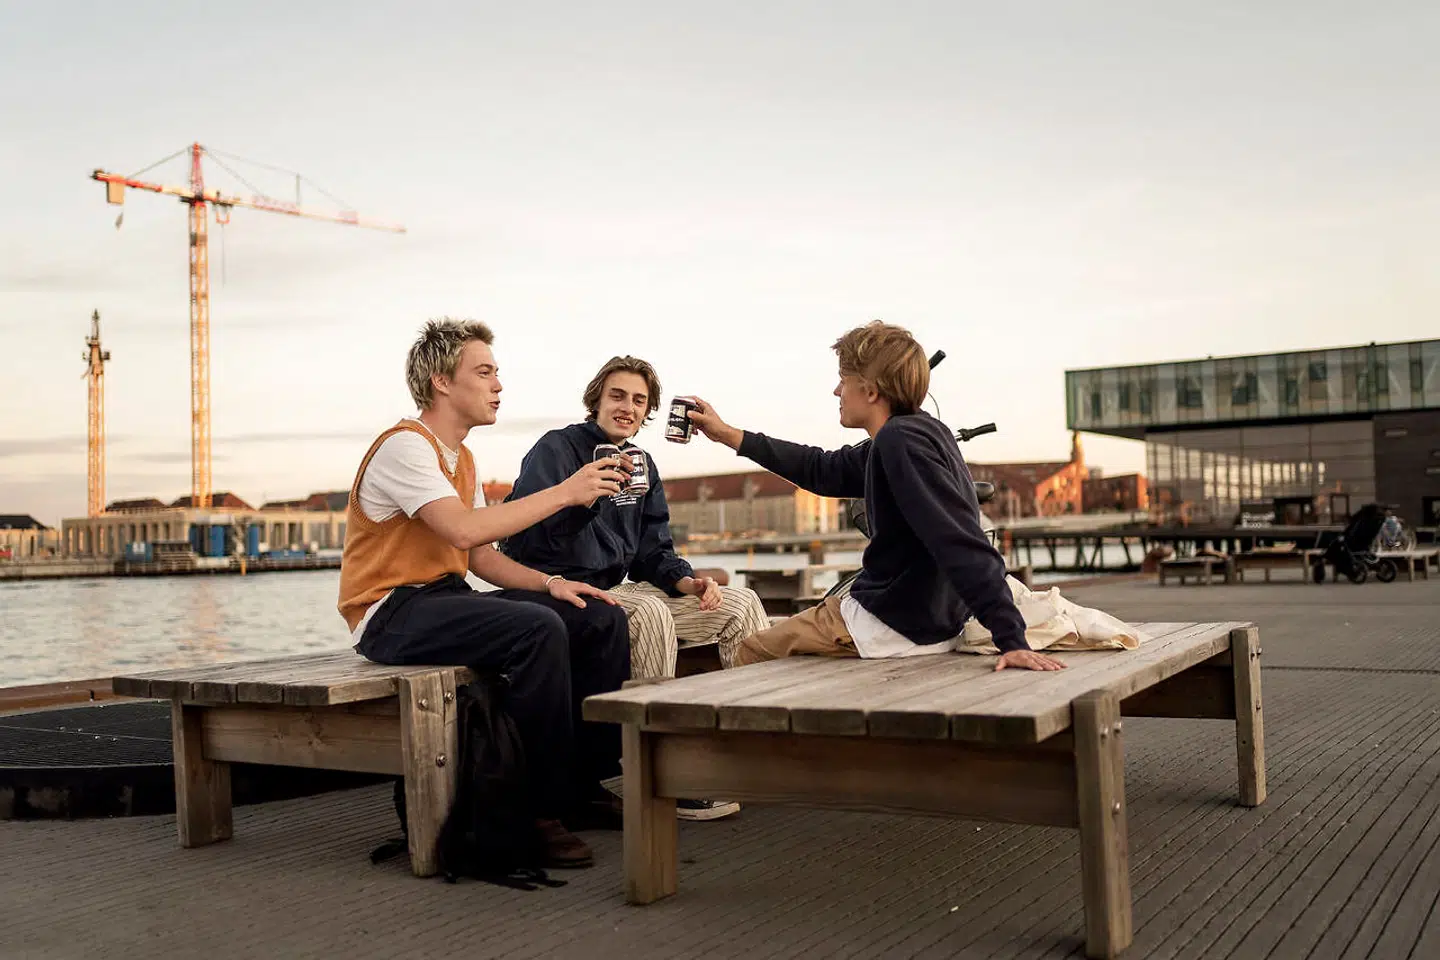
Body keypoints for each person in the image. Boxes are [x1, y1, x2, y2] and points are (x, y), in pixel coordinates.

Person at [337, 318, 632, 870]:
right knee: (537, 628)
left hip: (442, 596)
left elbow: (479, 558)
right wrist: (566, 494)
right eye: (485, 372)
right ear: (441, 382)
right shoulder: (405, 447)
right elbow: (465, 531)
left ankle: (581, 787)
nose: (498, 384)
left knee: (596, 617)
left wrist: (553, 583)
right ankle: (533, 810)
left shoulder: (461, 458)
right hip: (390, 611)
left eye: (497, 373)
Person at [685, 320, 1067, 671]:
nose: (836, 390)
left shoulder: (900, 442)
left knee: (748, 652)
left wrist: (1010, 639)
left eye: (843, 380)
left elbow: (959, 539)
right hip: (923, 618)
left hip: (894, 622)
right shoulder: (915, 434)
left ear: (869, 390)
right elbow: (821, 468)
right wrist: (727, 434)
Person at [502, 355, 769, 821]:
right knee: (647, 614)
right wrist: (584, 498)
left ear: (648, 413)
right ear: (597, 400)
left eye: (639, 400)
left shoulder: (643, 464)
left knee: (739, 603)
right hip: (556, 588)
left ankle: (753, 754)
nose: (627, 407)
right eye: (618, 396)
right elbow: (526, 541)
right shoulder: (557, 449)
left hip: (616, 588)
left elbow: (653, 550)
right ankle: (659, 772)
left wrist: (689, 582)